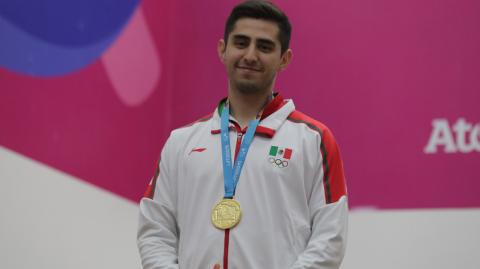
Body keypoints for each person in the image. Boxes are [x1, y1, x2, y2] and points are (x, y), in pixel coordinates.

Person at [137, 1, 348, 268]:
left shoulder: (314, 140)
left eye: (264, 46)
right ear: (222, 50)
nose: (250, 55)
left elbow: (330, 239)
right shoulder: (181, 142)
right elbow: (155, 230)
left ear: (284, 59)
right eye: (241, 42)